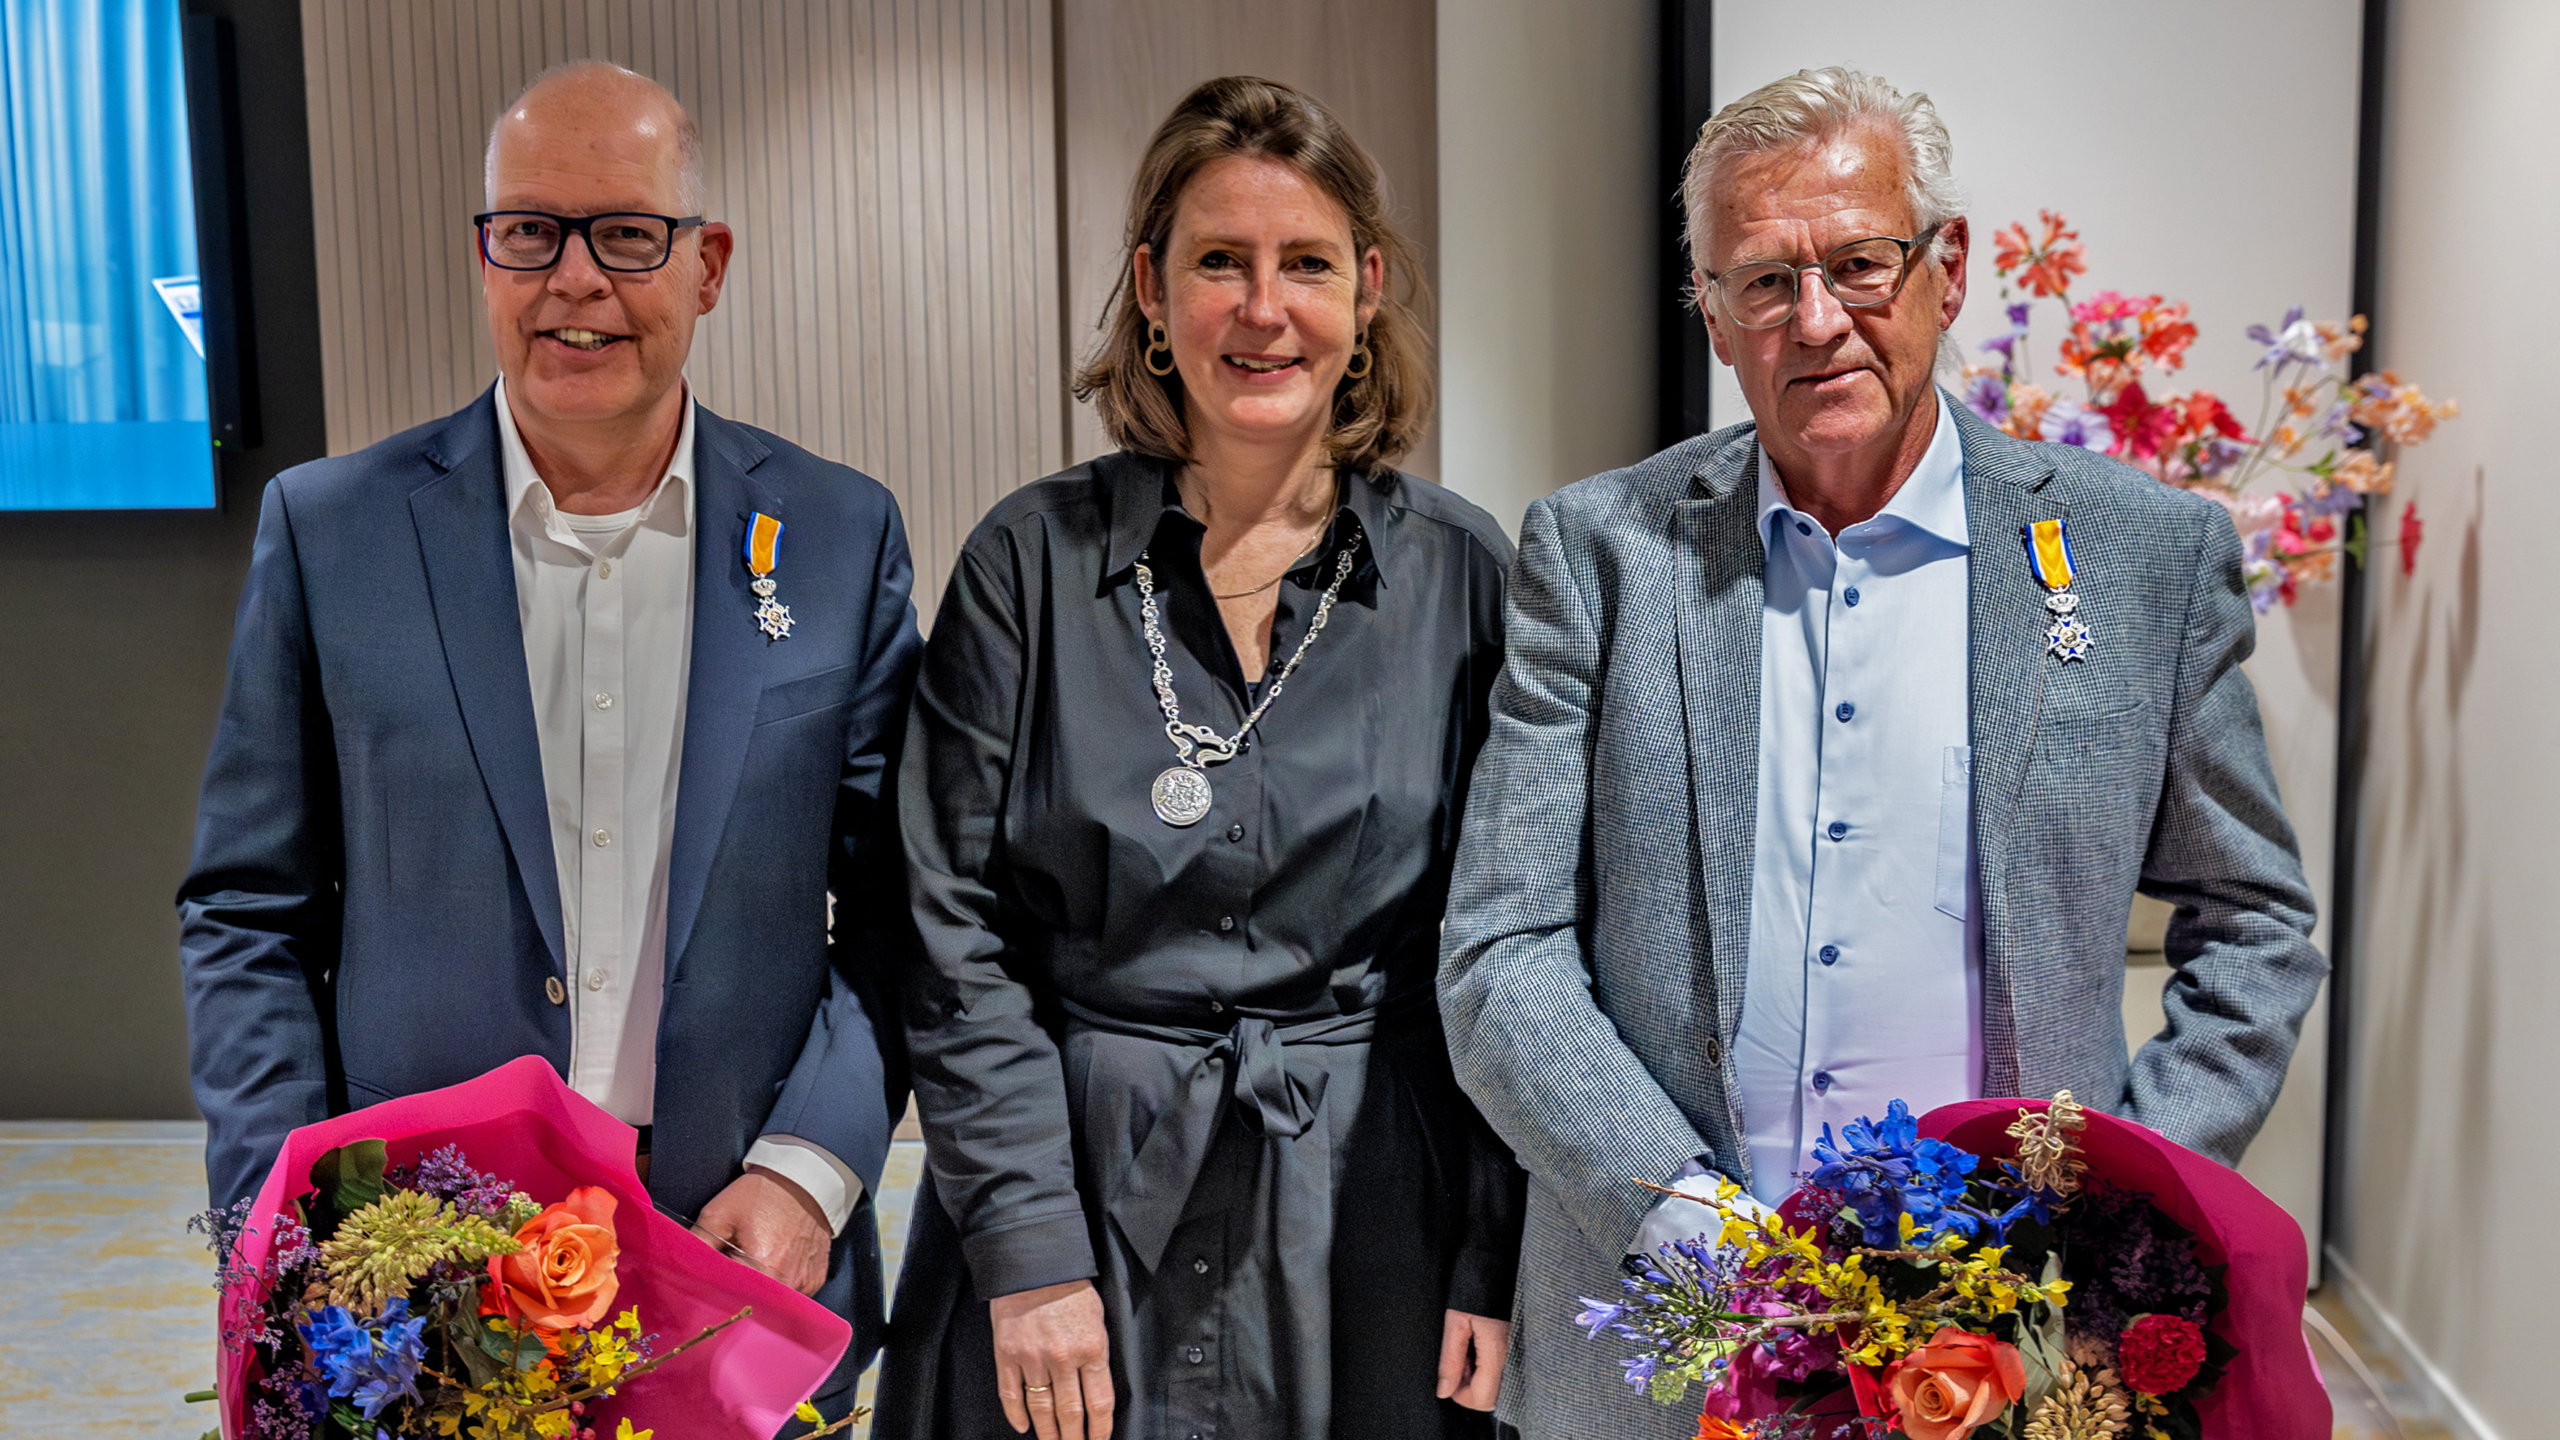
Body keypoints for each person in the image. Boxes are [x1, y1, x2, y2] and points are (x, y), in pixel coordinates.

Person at [1437, 67, 2327, 1438]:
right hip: (1669, 1344)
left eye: (1859, 263)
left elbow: (2255, 924)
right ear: (1712, 311)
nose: (1818, 322)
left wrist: (2119, 1205)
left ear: (1946, 268)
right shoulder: (1599, 557)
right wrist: (1672, 1209)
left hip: (2008, 1343)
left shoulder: (2144, 556)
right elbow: (1503, 948)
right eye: (1762, 281)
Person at [176, 62, 919, 1416]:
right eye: (530, 231)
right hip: (414, 1279)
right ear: (484, 257)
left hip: (738, 1257)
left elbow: (895, 910)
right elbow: (245, 913)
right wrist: (291, 1229)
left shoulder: (838, 533)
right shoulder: (331, 534)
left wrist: (811, 1166)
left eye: (627, 234)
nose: (575, 279)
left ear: (709, 265)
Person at [876, 76, 1522, 1440]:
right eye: (1217, 262)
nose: (1262, 307)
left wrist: (1491, 1250)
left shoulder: (1464, 578)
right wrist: (1030, 1246)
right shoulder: (1026, 566)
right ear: (1151, 293)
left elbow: (1510, 943)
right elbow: (941, 930)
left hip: (1370, 1218)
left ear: (1367, 290)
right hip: (1073, 1203)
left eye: (1305, 264)